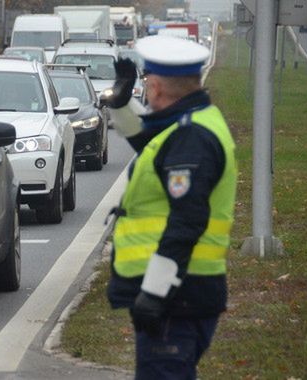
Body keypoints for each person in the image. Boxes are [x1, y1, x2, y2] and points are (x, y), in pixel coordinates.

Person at [101, 35, 237, 379]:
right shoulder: (191, 121)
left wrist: (155, 291)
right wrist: (119, 103)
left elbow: (188, 219)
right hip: (184, 291)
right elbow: (151, 142)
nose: (146, 91)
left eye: (146, 84)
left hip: (177, 296)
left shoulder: (191, 137)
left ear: (157, 87)